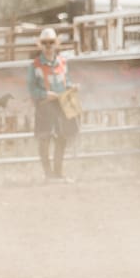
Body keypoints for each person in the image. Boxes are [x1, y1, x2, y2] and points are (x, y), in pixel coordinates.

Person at [27, 27, 79, 182]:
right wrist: (44, 94)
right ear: (40, 45)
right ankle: (48, 174)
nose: (48, 46)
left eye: (51, 42)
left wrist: (71, 87)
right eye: (45, 43)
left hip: (61, 104)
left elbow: (66, 80)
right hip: (45, 105)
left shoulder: (63, 62)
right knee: (45, 138)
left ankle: (58, 172)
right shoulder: (35, 66)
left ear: (56, 44)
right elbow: (31, 89)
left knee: (61, 138)